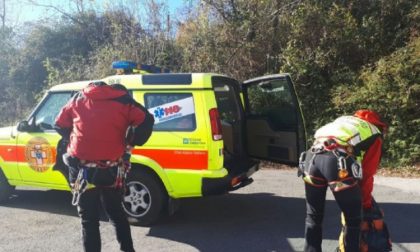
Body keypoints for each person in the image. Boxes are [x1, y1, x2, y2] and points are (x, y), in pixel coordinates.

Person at [55, 81, 151, 252]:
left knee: (89, 219)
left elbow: (59, 124)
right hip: (113, 168)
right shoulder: (123, 100)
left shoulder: (78, 98)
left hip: (81, 170)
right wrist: (132, 141)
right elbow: (146, 120)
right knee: (116, 212)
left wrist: (76, 136)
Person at [298, 109, 388, 252]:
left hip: (311, 160)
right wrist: (365, 204)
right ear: (380, 125)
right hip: (338, 164)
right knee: (353, 220)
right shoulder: (374, 133)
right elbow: (367, 174)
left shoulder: (344, 121)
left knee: (313, 217)